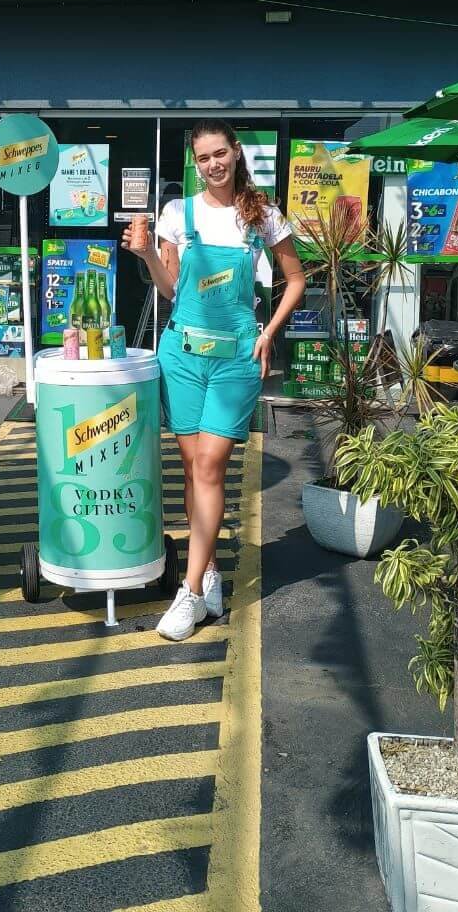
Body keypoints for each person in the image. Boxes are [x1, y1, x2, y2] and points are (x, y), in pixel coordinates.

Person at [123, 120, 305, 641]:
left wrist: (268, 333)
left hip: (235, 359)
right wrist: (148, 255)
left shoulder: (261, 213)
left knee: (209, 465)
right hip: (182, 354)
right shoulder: (177, 213)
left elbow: (296, 279)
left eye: (219, 153)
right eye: (203, 158)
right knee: (192, 470)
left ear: (236, 152)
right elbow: (171, 289)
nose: (213, 165)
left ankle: (189, 592)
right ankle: (208, 574)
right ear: (195, 163)